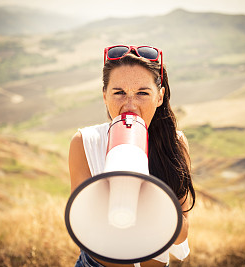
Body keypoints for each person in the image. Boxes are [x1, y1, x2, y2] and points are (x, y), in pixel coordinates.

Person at [69, 45, 196, 267]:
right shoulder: (84, 142)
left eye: (142, 93)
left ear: (160, 97)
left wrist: (152, 196)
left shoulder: (175, 144)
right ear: (104, 96)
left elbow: (182, 236)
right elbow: (83, 230)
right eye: (119, 93)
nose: (130, 105)